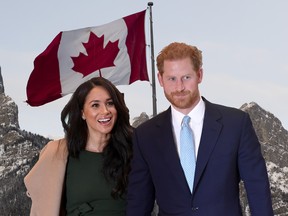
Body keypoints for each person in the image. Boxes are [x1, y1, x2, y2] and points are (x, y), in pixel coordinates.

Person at [126, 42, 273, 216]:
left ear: (199, 75)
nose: (179, 87)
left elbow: (257, 187)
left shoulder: (236, 124)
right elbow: (139, 201)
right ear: (160, 79)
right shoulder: (145, 135)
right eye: (171, 79)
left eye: (186, 77)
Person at [24, 77, 133, 216]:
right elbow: (42, 205)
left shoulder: (134, 149)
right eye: (95, 105)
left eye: (110, 103)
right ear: (82, 113)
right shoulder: (59, 153)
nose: (105, 111)